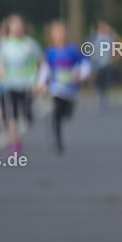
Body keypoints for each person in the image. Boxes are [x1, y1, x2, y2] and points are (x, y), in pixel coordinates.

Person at [38, 21, 90, 154]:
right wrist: (41, 85)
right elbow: (45, 69)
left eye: (62, 32)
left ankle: (63, 115)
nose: (60, 35)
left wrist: (81, 75)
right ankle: (58, 141)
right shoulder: (50, 52)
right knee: (57, 113)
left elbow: (85, 64)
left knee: (67, 114)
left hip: (71, 90)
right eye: (57, 32)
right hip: (56, 88)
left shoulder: (73, 50)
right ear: (52, 35)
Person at [0, 14, 43, 156]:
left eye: (19, 25)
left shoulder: (30, 44)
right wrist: (0, 75)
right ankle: (15, 142)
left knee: (26, 114)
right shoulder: (4, 44)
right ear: (9, 28)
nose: (16, 28)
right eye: (14, 25)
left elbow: (41, 62)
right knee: (12, 114)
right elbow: (1, 64)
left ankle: (25, 120)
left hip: (27, 85)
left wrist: (40, 82)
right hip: (10, 84)